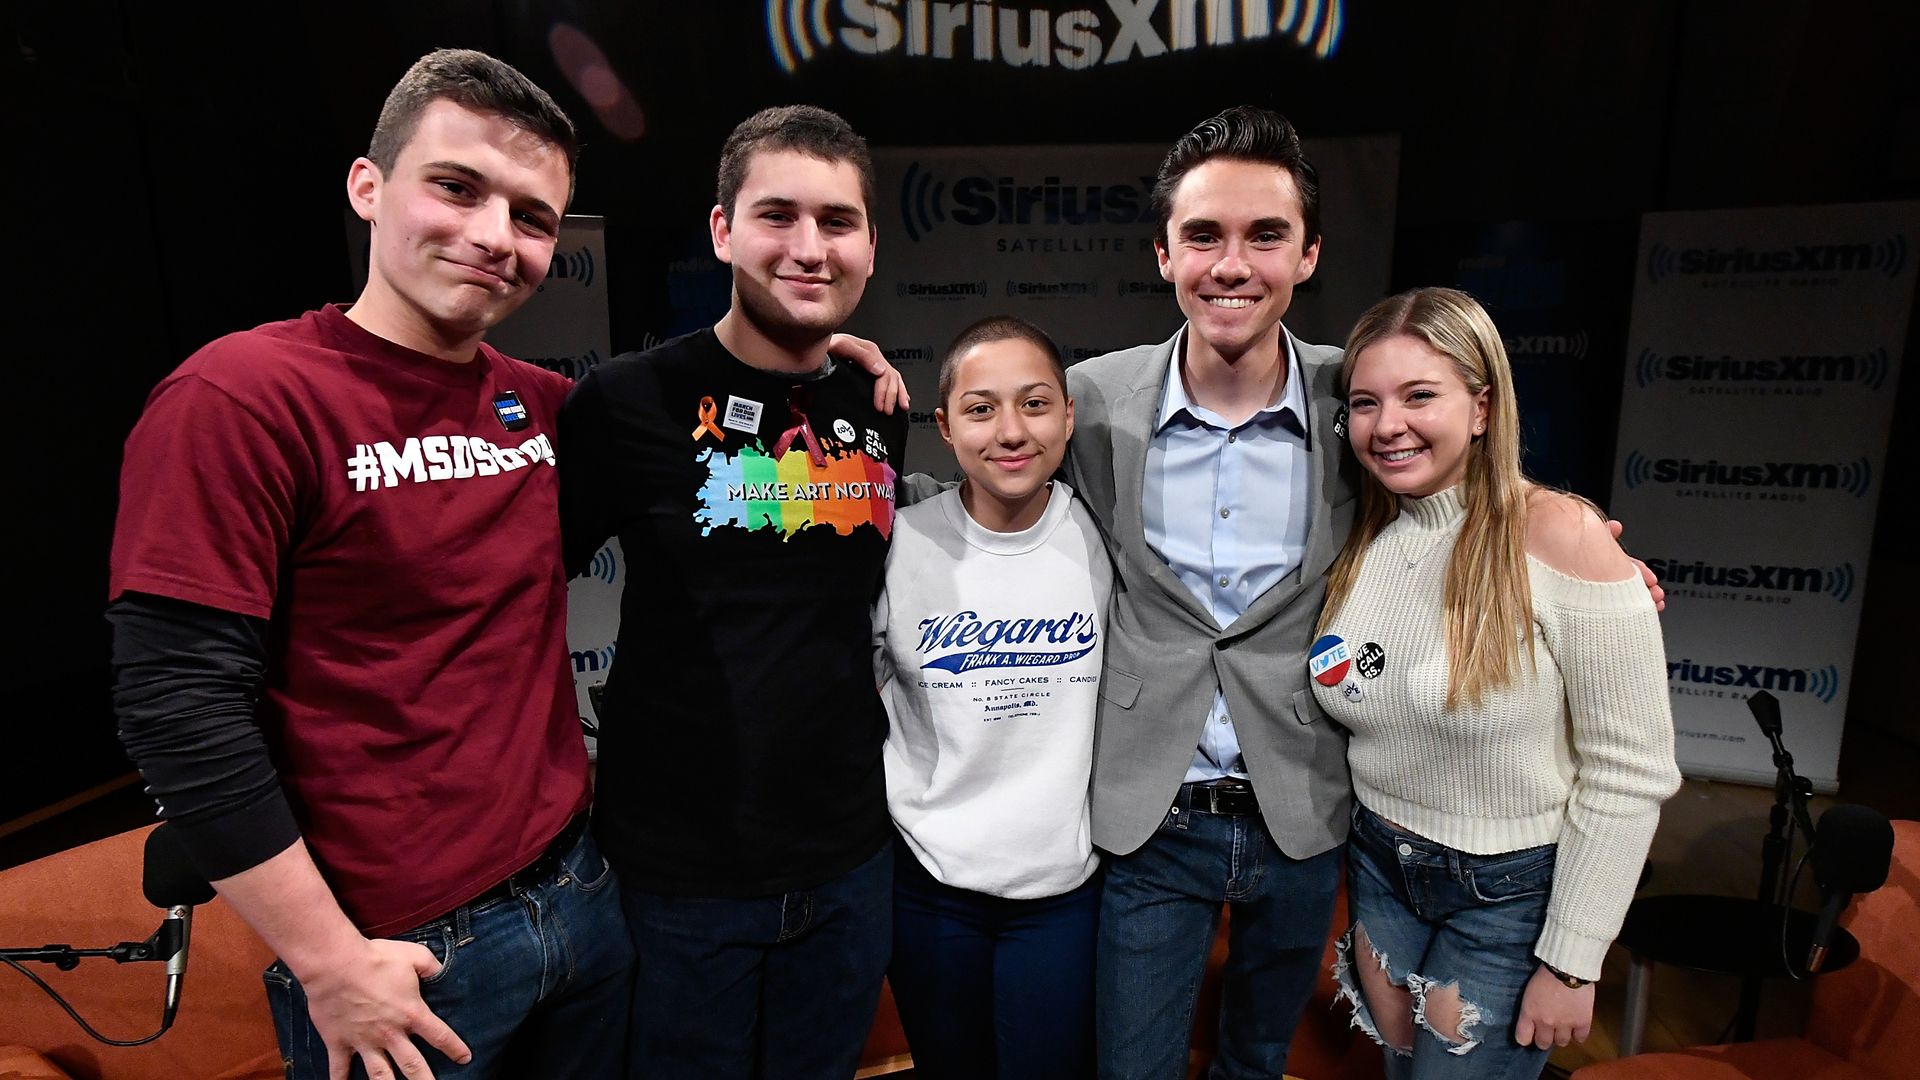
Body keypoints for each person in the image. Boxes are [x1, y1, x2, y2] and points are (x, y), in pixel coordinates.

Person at [108, 49, 633, 1080]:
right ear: (368, 187)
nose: (496, 236)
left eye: (532, 217)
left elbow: (705, 434)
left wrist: (822, 363)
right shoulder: (242, 397)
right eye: (457, 187)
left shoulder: (544, 405)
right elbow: (176, 706)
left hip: (581, 896)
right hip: (404, 958)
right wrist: (329, 961)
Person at [558, 105, 905, 1080]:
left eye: (837, 222)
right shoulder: (624, 403)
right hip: (679, 887)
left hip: (848, 867)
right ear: (722, 231)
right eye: (777, 216)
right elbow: (512, 599)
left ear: (870, 246)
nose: (809, 248)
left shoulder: (877, 405)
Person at [1313, 286, 1680, 1078]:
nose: (1388, 425)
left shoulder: (1562, 535)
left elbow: (1631, 770)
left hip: (1508, 897)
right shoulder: (1361, 536)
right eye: (1366, 403)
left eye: (1420, 396)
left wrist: (1573, 962)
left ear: (1482, 407)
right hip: (1379, 870)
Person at [874, 316, 1110, 1080]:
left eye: (1035, 404)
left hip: (1064, 895)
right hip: (929, 890)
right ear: (944, 426)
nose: (1011, 431)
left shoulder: (1107, 542)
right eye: (981, 409)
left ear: (1068, 415)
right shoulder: (899, 543)